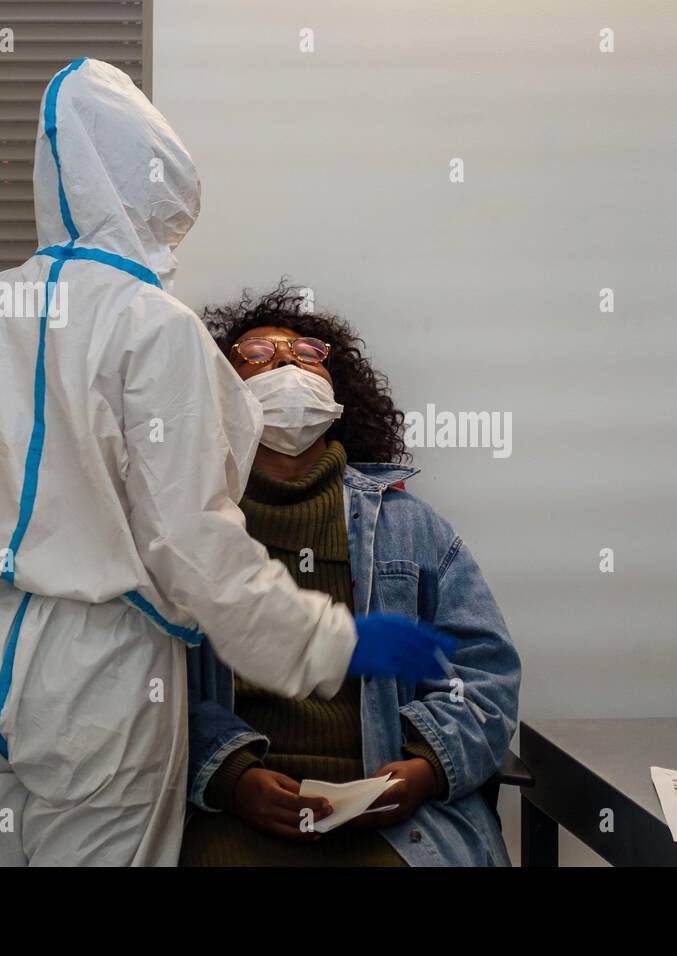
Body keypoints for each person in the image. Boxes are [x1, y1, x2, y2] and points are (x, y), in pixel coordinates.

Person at [0, 59, 451, 867]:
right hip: (100, 665)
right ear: (155, 187)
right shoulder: (157, 328)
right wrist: (331, 644)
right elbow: (193, 547)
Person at [181, 283, 520, 866]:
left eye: (306, 352)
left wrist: (425, 767)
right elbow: (153, 687)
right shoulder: (184, 532)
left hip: (394, 817)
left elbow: (485, 674)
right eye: (258, 353)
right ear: (220, 391)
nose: (286, 361)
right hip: (241, 807)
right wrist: (229, 776)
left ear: (339, 391)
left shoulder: (414, 529)